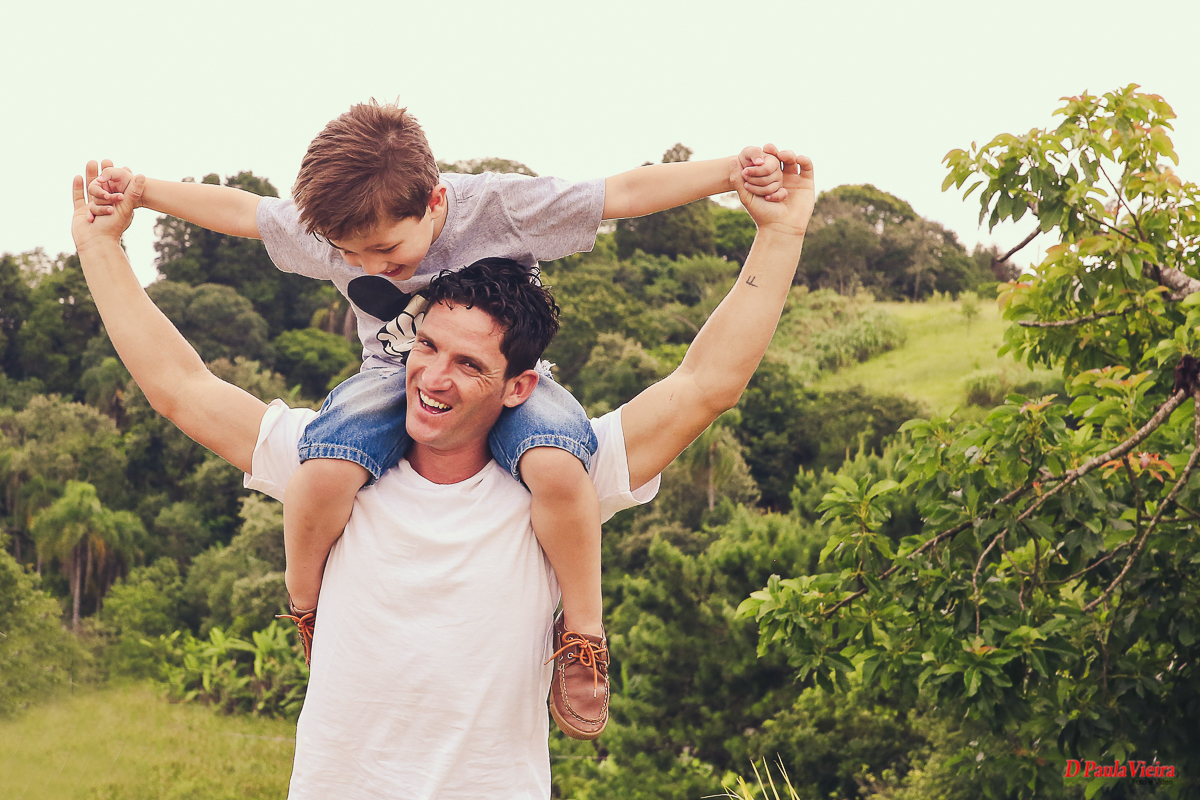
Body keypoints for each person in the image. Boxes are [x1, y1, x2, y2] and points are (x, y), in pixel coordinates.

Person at [71, 144, 814, 798]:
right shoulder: (334, 461)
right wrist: (101, 244)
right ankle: (307, 614)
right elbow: (181, 387)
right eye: (427, 347)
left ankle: (582, 638)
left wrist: (780, 231)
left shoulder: (558, 477)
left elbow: (705, 385)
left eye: (469, 363)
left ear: (519, 384)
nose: (431, 376)